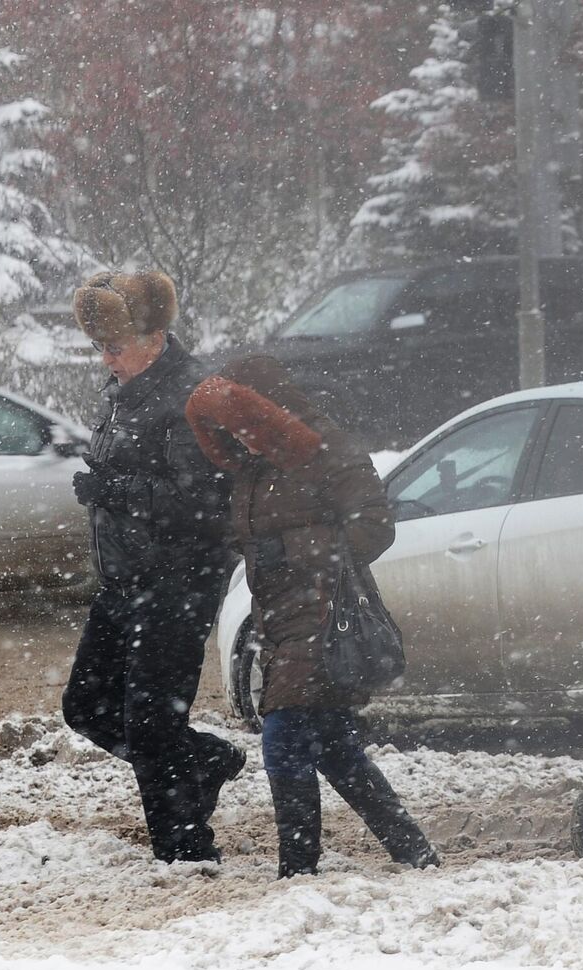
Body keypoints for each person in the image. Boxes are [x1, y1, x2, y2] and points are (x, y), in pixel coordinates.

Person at [186, 356, 440, 878]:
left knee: (282, 738)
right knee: (337, 750)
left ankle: (298, 869)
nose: (243, 439)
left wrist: (296, 552)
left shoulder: (328, 451)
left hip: (325, 615)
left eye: (248, 427)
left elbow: (374, 526)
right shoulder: (251, 469)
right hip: (277, 619)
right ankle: (414, 853)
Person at [61, 270, 243, 863]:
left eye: (115, 347)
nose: (107, 360)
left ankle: (185, 850)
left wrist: (114, 488)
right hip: (124, 579)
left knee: (151, 723)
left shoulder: (190, 394)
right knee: (85, 706)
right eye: (100, 348)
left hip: (179, 580)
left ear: (155, 333)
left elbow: (204, 500)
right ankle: (208, 761)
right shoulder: (125, 392)